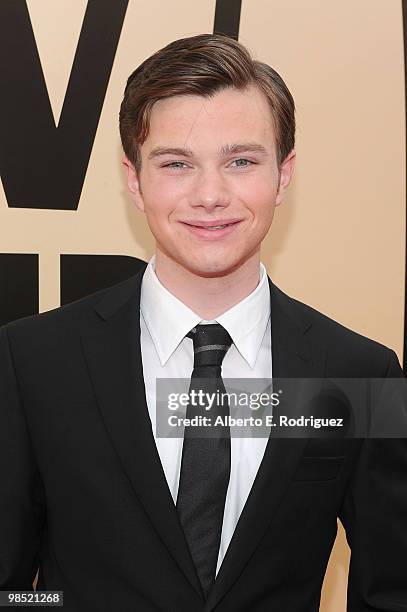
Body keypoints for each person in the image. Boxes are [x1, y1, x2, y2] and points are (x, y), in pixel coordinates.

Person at [0, 33, 406, 612]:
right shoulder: (31, 360)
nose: (210, 194)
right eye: (177, 164)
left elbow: (391, 592)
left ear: (283, 175)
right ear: (135, 180)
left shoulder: (362, 374)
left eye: (240, 161)